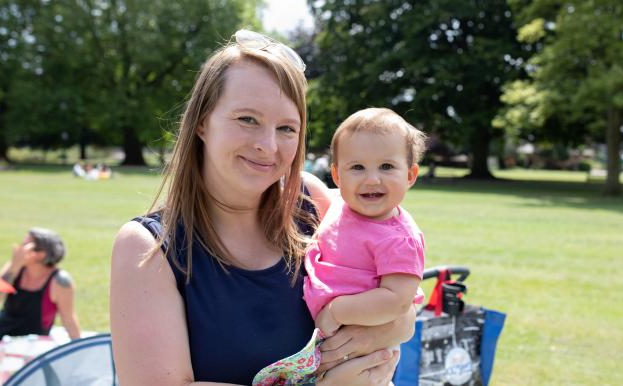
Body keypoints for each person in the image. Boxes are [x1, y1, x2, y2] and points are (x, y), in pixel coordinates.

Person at [110, 29, 414, 386]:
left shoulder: (312, 204)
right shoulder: (147, 248)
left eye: (287, 128)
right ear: (203, 122)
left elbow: (400, 307)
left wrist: (393, 325)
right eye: (248, 119)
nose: (268, 146)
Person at [304, 107, 426, 347]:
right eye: (357, 167)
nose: (372, 179)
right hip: (320, 336)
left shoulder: (399, 238)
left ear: (410, 175)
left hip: (357, 342)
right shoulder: (339, 206)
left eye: (387, 167)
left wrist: (337, 312)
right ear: (338, 177)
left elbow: (397, 301)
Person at [0, 228, 81, 354]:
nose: (19, 249)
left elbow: (68, 319)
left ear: (40, 254)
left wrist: (79, 349)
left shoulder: (60, 281)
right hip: (0, 328)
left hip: (32, 340)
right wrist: (14, 266)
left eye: (25, 245)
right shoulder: (15, 267)